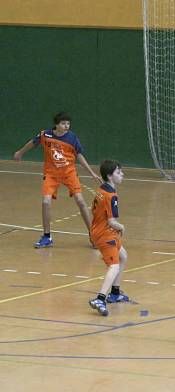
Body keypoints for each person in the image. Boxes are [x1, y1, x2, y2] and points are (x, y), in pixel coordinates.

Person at [13, 112, 102, 248]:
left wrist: (92, 173)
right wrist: (20, 152)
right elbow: (32, 143)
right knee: (46, 202)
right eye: (63, 123)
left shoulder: (72, 138)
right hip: (51, 174)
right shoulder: (45, 135)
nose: (66, 126)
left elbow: (79, 156)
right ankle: (47, 237)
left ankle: (93, 235)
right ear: (56, 124)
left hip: (69, 173)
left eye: (68, 123)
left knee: (80, 201)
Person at [88, 160, 129, 316]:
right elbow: (112, 221)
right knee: (114, 266)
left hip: (98, 230)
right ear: (110, 176)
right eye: (119, 172)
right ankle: (100, 298)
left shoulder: (101, 190)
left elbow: (95, 211)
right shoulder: (111, 196)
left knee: (123, 256)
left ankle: (115, 293)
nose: (122, 174)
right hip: (105, 234)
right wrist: (122, 227)